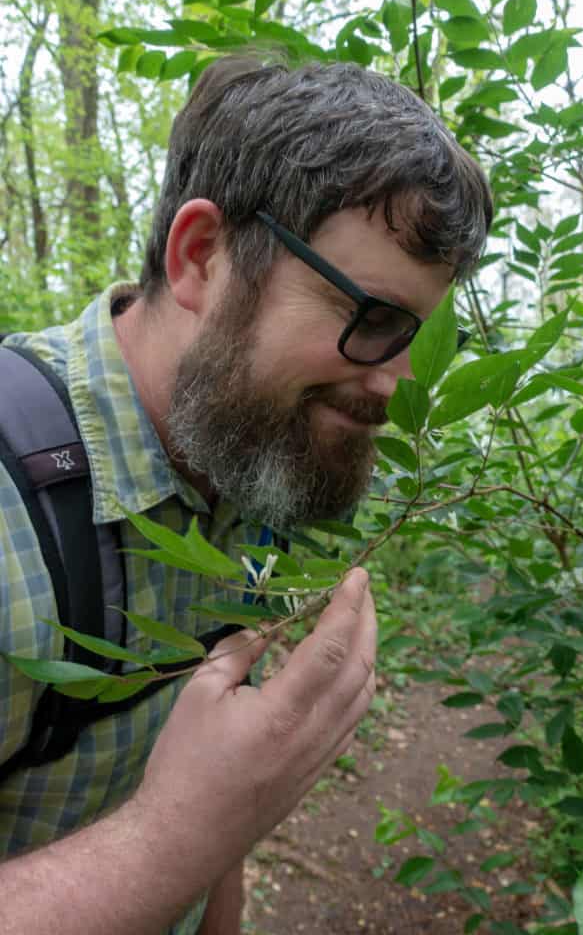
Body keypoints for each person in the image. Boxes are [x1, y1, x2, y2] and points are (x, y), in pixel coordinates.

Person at [0, 54, 492, 933]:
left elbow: (202, 775)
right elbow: (202, 817)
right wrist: (178, 835)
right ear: (201, 257)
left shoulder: (248, 452)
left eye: (418, 335)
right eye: (371, 319)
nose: (396, 385)